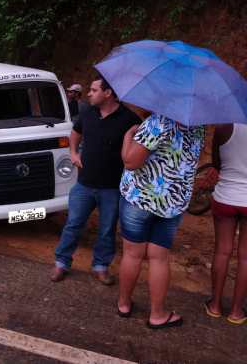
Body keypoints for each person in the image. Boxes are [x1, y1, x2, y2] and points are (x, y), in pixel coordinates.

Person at [117, 113, 204, 329]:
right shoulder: (199, 126)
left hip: (139, 199)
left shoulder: (158, 122)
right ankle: (157, 315)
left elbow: (130, 162)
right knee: (159, 259)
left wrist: (128, 136)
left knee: (132, 254)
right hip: (172, 204)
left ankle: (124, 303)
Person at [51, 76, 141, 285]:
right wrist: (73, 153)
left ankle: (101, 266)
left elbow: (137, 152)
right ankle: (61, 263)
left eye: (93, 90)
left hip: (112, 187)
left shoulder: (130, 120)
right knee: (73, 224)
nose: (89, 93)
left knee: (107, 228)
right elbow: (75, 133)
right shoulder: (87, 113)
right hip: (84, 184)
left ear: (108, 93)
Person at [205, 123, 247, 325]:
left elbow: (216, 164)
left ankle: (215, 305)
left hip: (226, 197)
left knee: (222, 251)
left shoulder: (224, 127)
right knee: (245, 257)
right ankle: (237, 311)